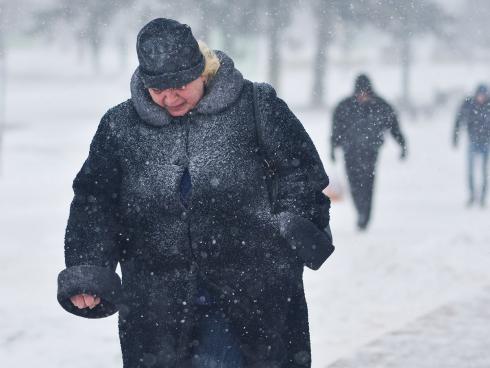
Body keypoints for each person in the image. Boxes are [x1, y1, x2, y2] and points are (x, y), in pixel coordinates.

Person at [57, 18, 334, 368]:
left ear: (201, 72)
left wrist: (286, 232)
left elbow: (302, 173)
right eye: (158, 89)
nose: (170, 97)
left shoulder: (254, 106)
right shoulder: (120, 127)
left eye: (180, 85)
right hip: (156, 305)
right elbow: (94, 203)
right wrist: (89, 268)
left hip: (249, 294)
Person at [330, 74, 407, 230]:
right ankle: (360, 211)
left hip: (371, 152)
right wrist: (332, 147)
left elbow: (394, 127)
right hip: (350, 151)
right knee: (353, 183)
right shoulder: (344, 106)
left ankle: (365, 215)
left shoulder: (381, 106)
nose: (362, 96)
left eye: (365, 92)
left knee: (368, 184)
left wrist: (402, 145)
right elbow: (336, 129)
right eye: (360, 93)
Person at [453, 84, 490, 208]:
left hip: (486, 142)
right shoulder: (469, 104)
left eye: (483, 95)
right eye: (480, 95)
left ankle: (483, 197)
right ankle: (472, 195)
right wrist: (455, 136)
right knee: (471, 171)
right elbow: (459, 120)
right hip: (473, 142)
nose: (481, 97)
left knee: (484, 171)